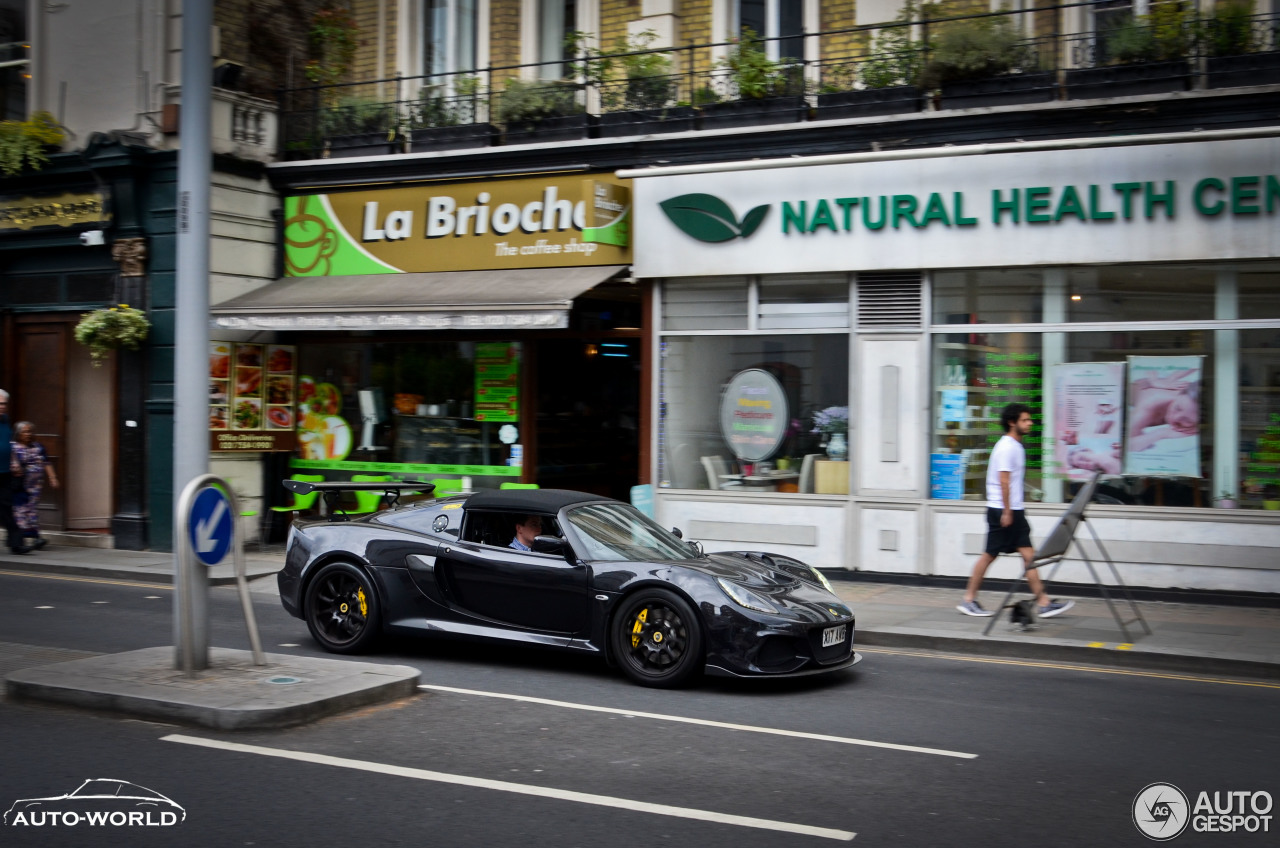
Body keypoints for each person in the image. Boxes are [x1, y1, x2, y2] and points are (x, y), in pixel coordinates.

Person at [957, 403, 1074, 618]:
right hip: (1002, 510)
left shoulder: (1016, 446)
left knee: (1029, 556)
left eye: (1030, 420)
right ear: (1012, 422)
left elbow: (1013, 481)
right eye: (1025, 420)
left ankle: (1044, 602)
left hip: (1013, 509)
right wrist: (1008, 512)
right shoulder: (1007, 447)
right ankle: (969, 600)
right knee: (989, 555)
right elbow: (1004, 481)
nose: (1030, 423)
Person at [11, 421, 59, 549]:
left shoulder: (38, 447)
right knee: (20, 511)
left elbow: (46, 463)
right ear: (18, 434)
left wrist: (53, 478)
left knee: (31, 510)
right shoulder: (13, 448)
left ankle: (35, 537)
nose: (28, 434)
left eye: (30, 431)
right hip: (19, 485)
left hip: (35, 485)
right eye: (25, 432)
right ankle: (18, 538)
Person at [1127, 369, 1200, 453]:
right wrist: (1161, 433)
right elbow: (1127, 445)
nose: (1175, 417)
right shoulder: (1151, 403)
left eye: (1187, 420)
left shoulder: (1194, 408)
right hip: (1141, 384)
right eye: (1177, 408)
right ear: (1180, 394)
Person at [0, 390, 31, 554]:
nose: (2, 407)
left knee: (6, 507)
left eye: (4, 404)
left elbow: (8, 443)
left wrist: (15, 462)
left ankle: (16, 543)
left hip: (4, 472)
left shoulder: (5, 420)